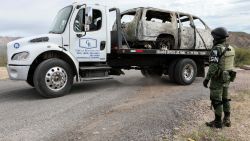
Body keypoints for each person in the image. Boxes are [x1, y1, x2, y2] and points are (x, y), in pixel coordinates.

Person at [203, 27, 236, 128]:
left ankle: (217, 123)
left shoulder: (217, 49)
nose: (213, 39)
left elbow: (213, 66)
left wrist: (207, 79)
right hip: (227, 77)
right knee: (225, 98)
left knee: (216, 99)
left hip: (218, 79)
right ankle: (227, 119)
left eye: (214, 37)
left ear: (217, 38)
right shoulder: (231, 47)